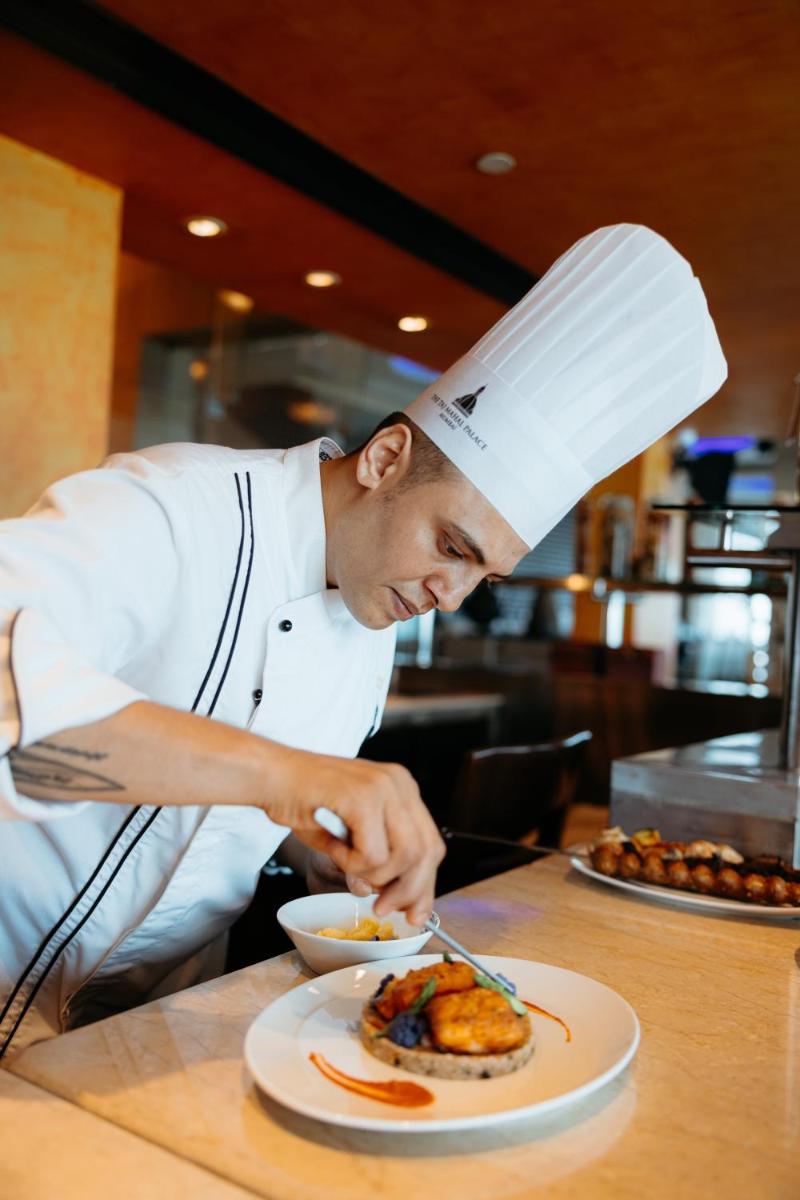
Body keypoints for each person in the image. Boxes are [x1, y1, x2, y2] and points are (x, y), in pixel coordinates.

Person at [0, 223, 726, 1058]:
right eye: (452, 546)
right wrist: (290, 775)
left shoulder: (373, 610)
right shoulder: (167, 508)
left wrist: (328, 857)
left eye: (482, 577)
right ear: (385, 458)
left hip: (157, 1024)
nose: (449, 596)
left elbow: (221, 828)